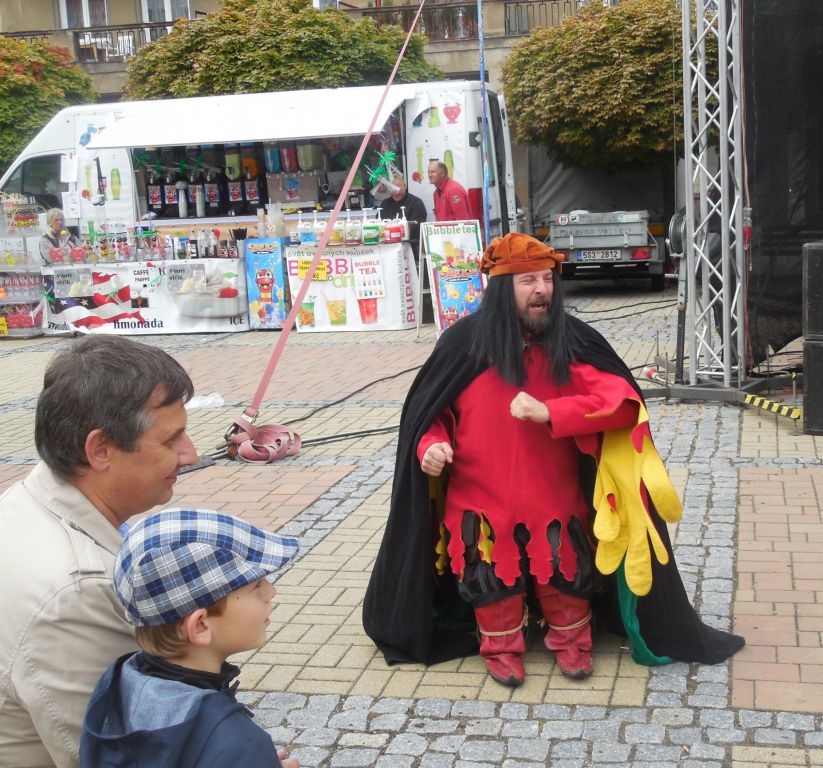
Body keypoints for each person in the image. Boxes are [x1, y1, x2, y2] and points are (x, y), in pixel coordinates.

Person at [363, 232, 744, 687]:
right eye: (528, 281)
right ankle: (501, 648)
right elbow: (433, 412)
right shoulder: (462, 344)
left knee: (566, 582)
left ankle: (572, 644)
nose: (542, 290)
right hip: (480, 503)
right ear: (502, 288)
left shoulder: (571, 342)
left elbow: (623, 404)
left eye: (547, 279)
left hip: (556, 500)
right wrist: (430, 447)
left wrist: (552, 411)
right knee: (491, 586)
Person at [0, 335, 198, 768]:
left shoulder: (30, 501)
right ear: (100, 450)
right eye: (171, 440)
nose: (190, 454)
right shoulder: (74, 592)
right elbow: (117, 757)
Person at [80, 509, 300, 768]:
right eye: (255, 585)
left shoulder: (115, 688)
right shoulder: (238, 743)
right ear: (200, 625)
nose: (271, 591)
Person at [378, 173, 428, 255]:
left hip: (410, 249)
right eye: (391, 188)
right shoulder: (385, 204)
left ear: (405, 186)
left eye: (397, 188)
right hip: (387, 249)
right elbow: (378, 226)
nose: (395, 192)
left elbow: (417, 228)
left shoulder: (416, 203)